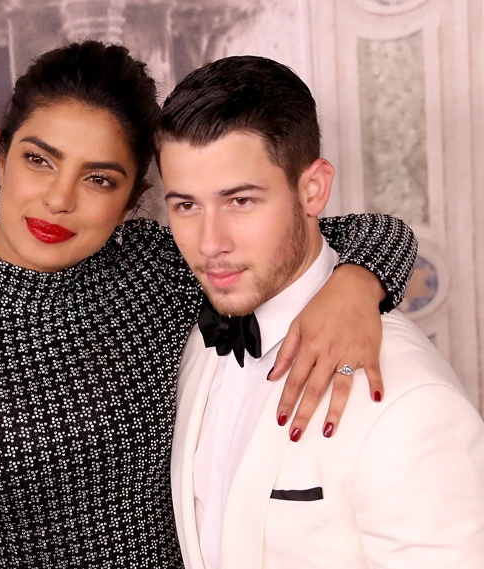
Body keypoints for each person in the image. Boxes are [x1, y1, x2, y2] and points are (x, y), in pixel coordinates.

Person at [0, 41, 417, 569]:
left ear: (131, 199)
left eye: (98, 179)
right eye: (39, 160)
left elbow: (378, 232)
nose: (59, 198)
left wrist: (353, 286)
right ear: (1, 154)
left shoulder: (159, 268)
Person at [162, 55, 484, 569]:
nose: (209, 243)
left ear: (312, 189)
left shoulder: (409, 400)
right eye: (186, 206)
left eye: (241, 201)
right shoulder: (199, 339)